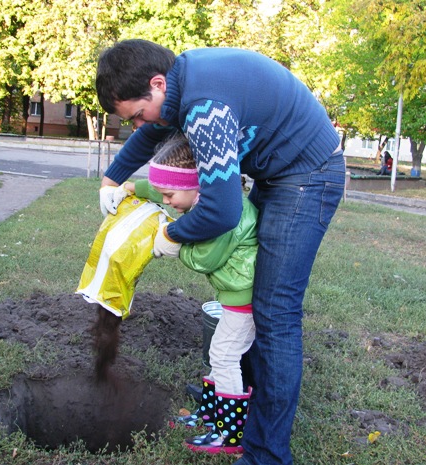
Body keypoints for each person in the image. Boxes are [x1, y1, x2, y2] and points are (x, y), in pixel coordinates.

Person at [96, 39, 345, 465]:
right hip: (277, 174)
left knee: (275, 312)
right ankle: (236, 420)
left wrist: (172, 239)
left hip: (308, 176)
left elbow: (223, 210)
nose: (138, 126)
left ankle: (265, 454)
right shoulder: (178, 83)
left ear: (157, 84)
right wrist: (111, 179)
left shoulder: (203, 108)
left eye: (136, 114)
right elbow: (153, 131)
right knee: (256, 302)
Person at [116, 134, 257, 454]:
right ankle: (211, 414)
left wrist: (174, 246)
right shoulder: (202, 193)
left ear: (196, 185)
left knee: (224, 357)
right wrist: (132, 187)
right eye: (162, 194)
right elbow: (164, 186)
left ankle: (230, 435)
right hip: (235, 296)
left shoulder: (223, 216)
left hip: (244, 300)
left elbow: (206, 259)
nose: (165, 201)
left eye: (169, 195)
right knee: (219, 355)